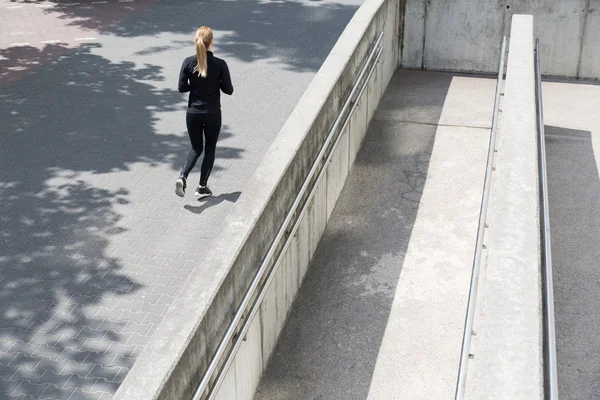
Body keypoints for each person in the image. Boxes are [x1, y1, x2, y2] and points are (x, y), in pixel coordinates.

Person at [175, 26, 233, 198]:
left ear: (196, 41)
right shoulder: (220, 64)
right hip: (212, 113)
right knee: (210, 147)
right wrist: (218, 81)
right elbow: (228, 90)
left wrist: (195, 83)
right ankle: (202, 186)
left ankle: (183, 176)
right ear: (211, 42)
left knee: (195, 147)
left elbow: (181, 88)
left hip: (193, 113)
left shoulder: (187, 62)